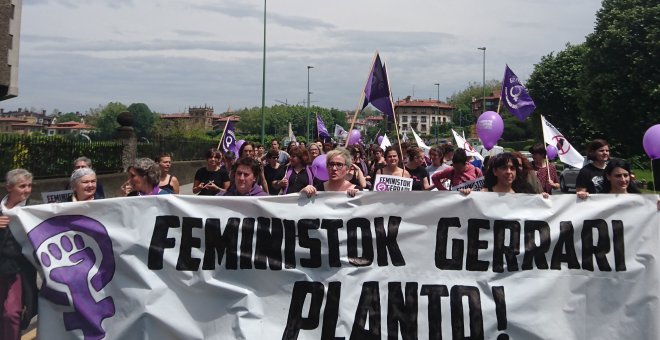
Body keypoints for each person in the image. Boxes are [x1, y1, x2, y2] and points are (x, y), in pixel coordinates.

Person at [0, 169, 38, 339]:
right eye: (22, 186)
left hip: (17, 270)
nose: (27, 190)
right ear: (9, 187)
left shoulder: (35, 209)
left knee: (12, 313)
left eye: (29, 185)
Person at [480, 153, 547, 197]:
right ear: (495, 171)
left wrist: (541, 199)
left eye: (512, 168)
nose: (509, 172)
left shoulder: (526, 193)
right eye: (504, 168)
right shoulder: (484, 194)